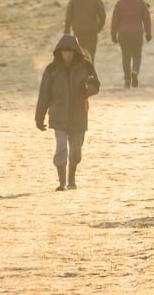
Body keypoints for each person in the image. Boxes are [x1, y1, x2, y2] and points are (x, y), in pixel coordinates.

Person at [35, 34, 100, 191]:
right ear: (59, 52)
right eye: (64, 51)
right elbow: (44, 94)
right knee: (61, 147)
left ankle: (72, 178)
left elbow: (95, 85)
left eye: (70, 51)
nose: (67, 54)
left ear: (75, 52)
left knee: (76, 151)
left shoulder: (86, 67)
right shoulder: (52, 70)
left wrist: (87, 90)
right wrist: (39, 116)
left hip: (79, 115)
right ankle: (62, 182)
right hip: (58, 115)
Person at [110, 0, 152, 88]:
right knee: (137, 55)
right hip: (137, 33)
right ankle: (135, 71)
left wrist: (113, 34)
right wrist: (148, 33)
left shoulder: (120, 3)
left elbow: (115, 20)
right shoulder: (141, 3)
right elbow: (147, 19)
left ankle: (127, 79)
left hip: (123, 34)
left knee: (126, 56)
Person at [64, 0, 106, 68]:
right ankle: (90, 77)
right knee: (90, 57)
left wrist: (66, 34)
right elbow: (103, 18)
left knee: (78, 57)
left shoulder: (74, 0)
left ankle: (79, 78)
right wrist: (97, 29)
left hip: (78, 33)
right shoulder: (97, 0)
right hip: (91, 34)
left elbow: (68, 18)